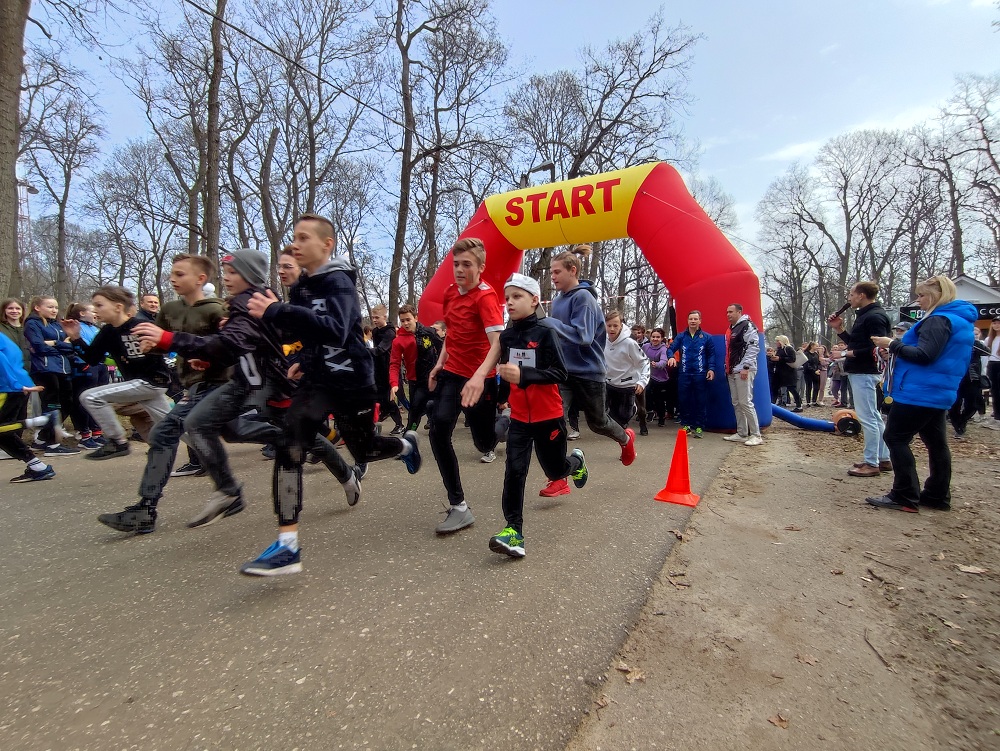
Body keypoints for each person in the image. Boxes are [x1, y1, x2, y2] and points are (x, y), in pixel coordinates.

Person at [244, 213, 418, 575]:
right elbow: (310, 335)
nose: (295, 244)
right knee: (290, 443)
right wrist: (304, 360)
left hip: (353, 381)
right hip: (319, 382)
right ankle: (287, 545)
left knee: (364, 449)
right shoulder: (303, 286)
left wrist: (276, 309)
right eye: (294, 237)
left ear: (327, 244)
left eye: (304, 237)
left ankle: (405, 445)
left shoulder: (339, 281)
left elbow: (338, 331)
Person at [93, 254, 228, 534]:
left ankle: (308, 444)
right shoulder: (169, 310)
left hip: (225, 386)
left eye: (180, 274)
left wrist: (206, 356)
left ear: (201, 279)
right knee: (163, 434)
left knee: (257, 430)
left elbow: (231, 347)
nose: (172, 279)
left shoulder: (217, 309)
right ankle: (145, 508)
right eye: (172, 274)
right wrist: (150, 346)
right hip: (194, 386)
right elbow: (163, 345)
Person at [489, 273, 588, 557]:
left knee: (555, 470)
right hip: (519, 418)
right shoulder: (507, 337)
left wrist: (524, 375)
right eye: (507, 298)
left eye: (517, 296)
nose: (510, 302)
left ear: (534, 300)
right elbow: (508, 373)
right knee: (514, 471)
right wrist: (502, 399)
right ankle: (513, 531)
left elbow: (560, 373)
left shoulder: (546, 333)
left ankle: (576, 462)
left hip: (549, 417)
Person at [865, 276, 976, 512]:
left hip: (919, 391)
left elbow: (925, 355)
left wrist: (892, 344)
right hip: (938, 391)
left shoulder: (939, 320)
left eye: (922, 295)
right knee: (936, 443)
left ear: (936, 296)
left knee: (895, 437)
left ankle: (904, 495)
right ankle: (936, 495)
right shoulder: (960, 321)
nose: (918, 300)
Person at [426, 237, 503, 532]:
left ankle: (504, 424)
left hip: (481, 379)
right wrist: (439, 363)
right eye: (456, 264)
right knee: (438, 428)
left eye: (466, 265)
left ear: (481, 267)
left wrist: (479, 377)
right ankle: (459, 506)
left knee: (483, 443)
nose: (459, 270)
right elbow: (453, 335)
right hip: (453, 374)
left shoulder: (486, 298)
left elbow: (497, 344)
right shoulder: (449, 293)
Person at [545, 247, 636, 480]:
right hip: (564, 372)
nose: (552, 277)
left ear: (572, 270)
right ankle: (559, 477)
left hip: (589, 372)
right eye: (551, 272)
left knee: (598, 423)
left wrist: (548, 323)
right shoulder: (557, 302)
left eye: (556, 272)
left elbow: (582, 337)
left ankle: (625, 439)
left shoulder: (583, 298)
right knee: (554, 420)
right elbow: (556, 336)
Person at [61, 287, 173, 461]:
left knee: (90, 397)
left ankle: (118, 441)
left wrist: (155, 347)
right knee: (174, 426)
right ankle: (207, 454)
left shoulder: (140, 326)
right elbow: (92, 358)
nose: (96, 310)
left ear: (118, 307)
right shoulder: (107, 332)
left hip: (152, 381)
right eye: (94, 306)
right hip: (140, 386)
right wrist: (76, 338)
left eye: (99, 305)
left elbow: (168, 346)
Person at [829, 281, 892, 477]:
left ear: (862, 295)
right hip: (862, 371)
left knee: (868, 418)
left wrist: (845, 355)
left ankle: (871, 462)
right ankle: (883, 457)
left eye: (851, 294)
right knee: (874, 417)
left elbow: (877, 348)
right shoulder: (866, 316)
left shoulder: (874, 317)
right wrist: (839, 329)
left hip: (865, 372)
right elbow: (856, 344)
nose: (849, 298)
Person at [23, 296, 79, 456]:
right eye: (50, 307)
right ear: (37, 308)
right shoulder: (32, 323)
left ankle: (42, 438)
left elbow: (71, 347)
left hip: (63, 368)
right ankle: (53, 445)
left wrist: (54, 343)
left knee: (67, 402)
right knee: (51, 404)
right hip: (44, 369)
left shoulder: (57, 324)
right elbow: (38, 347)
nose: (54, 310)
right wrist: (61, 345)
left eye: (55, 307)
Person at [1, 332, 59, 482]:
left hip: (10, 388)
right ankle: (37, 467)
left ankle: (41, 421)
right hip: (15, 385)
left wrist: (16, 385)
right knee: (3, 433)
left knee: (2, 429)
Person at [389, 303, 442, 432]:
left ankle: (435, 426)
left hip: (435, 379)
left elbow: (443, 349)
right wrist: (394, 383)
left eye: (408, 320)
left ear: (416, 318)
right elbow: (394, 364)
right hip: (416, 382)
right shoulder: (398, 341)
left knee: (439, 410)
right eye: (402, 321)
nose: (406, 323)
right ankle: (409, 434)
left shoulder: (429, 332)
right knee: (414, 414)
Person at [666, 310, 716, 437]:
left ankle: (699, 427)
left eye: (695, 319)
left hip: (700, 373)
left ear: (700, 321)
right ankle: (686, 425)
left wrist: (711, 369)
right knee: (683, 400)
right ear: (687, 321)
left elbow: (711, 355)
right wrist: (671, 356)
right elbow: (670, 348)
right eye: (691, 319)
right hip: (684, 373)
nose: (693, 321)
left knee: (701, 401)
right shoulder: (681, 336)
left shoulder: (706, 337)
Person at [63, 302, 104, 450]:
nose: (96, 313)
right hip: (84, 368)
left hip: (100, 367)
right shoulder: (75, 327)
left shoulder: (95, 328)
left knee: (98, 400)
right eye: (93, 310)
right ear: (82, 313)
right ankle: (84, 434)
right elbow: (74, 347)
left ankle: (97, 433)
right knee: (83, 401)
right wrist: (83, 364)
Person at [723, 303, 763, 445]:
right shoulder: (731, 328)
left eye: (731, 312)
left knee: (745, 402)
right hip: (732, 369)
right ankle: (742, 433)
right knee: (736, 402)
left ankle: (756, 435)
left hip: (743, 369)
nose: (728, 314)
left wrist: (746, 367)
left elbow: (753, 347)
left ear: (739, 312)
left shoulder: (747, 325)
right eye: (727, 312)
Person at [604, 310, 649, 434]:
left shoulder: (629, 343)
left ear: (621, 325)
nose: (612, 329)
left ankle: (642, 423)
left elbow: (644, 362)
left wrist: (642, 381)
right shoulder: (602, 341)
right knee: (616, 419)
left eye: (615, 325)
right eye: (609, 325)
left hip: (631, 384)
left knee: (640, 411)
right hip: (611, 383)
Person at [370, 304, 404, 435]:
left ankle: (399, 424)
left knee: (390, 398)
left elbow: (380, 350)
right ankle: (383, 412)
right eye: (373, 317)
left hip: (390, 369)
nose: (374, 320)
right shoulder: (375, 331)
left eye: (377, 317)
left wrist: (362, 351)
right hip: (377, 369)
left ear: (385, 317)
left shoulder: (390, 332)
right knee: (378, 396)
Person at [642, 328, 670, 426]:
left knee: (659, 399)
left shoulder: (664, 349)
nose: (655, 339)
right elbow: (638, 356)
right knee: (646, 392)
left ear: (662, 338)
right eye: (653, 337)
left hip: (660, 378)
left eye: (658, 337)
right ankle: (650, 411)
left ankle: (661, 417)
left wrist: (657, 364)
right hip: (648, 375)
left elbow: (663, 361)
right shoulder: (645, 347)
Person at [771, 336, 803, 411]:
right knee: (774, 388)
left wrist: (780, 358)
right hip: (779, 372)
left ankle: (799, 405)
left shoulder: (788, 348)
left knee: (792, 389)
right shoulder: (779, 349)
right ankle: (772, 404)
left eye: (777, 341)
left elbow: (792, 359)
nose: (776, 343)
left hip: (788, 373)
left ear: (781, 341)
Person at [629, 323, 650, 434]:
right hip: (624, 380)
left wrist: (642, 381)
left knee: (641, 407)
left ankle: (643, 425)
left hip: (638, 379)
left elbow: (645, 364)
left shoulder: (644, 348)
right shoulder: (623, 346)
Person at [1, 299, 29, 370]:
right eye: (10, 308)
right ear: (4, 310)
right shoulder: (1, 328)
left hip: (28, 368)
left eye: (18, 308)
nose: (14, 311)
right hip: (6, 368)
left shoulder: (29, 328)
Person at [984, 315, 1000, 430]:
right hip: (992, 364)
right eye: (994, 323)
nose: (996, 325)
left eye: (998, 323)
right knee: (994, 390)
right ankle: (996, 415)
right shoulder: (989, 339)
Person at [801, 342, 821, 407]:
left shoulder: (816, 354)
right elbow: (806, 364)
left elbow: (818, 363)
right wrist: (814, 371)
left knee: (816, 387)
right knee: (809, 387)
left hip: (816, 372)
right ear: (812, 346)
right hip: (808, 373)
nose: (817, 347)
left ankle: (814, 401)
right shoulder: (806, 354)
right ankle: (808, 402)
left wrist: (818, 369)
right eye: (816, 346)